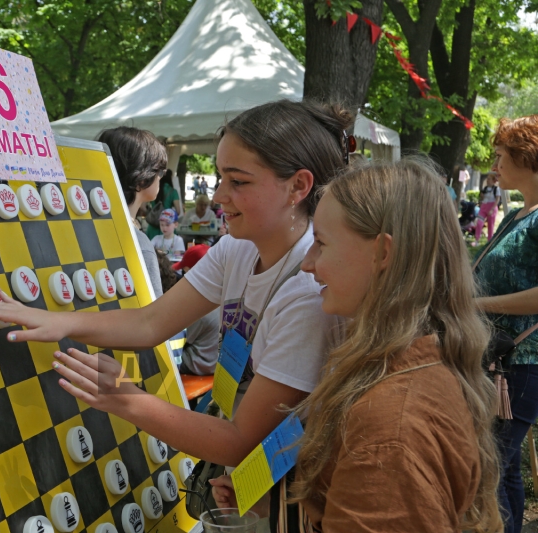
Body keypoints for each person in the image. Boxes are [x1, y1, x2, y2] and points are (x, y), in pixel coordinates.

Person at [0, 99, 350, 474]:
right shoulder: (237, 247)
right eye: (220, 178)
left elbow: (239, 442)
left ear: (298, 186)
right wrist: (58, 321)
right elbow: (150, 323)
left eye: (238, 182)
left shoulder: (308, 292)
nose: (218, 196)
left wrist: (124, 398)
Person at [211, 159, 502, 532]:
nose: (307, 265)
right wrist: (291, 500)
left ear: (383, 254)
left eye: (321, 243)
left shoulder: (390, 429)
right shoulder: (401, 367)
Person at [475, 115, 538, 533]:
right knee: (505, 467)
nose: (495, 164)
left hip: (523, 361)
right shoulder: (519, 212)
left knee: (490, 468)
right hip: (503, 359)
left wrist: (475, 302)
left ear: (528, 157)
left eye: (501, 155)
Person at [95, 127, 165, 297]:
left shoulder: (88, 227)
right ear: (141, 180)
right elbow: (153, 315)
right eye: (160, 171)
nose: (161, 177)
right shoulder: (137, 243)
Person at [171, 246, 220, 376]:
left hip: (199, 363)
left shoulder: (201, 305)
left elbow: (179, 338)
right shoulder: (222, 292)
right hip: (216, 360)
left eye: (184, 271)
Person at [145, 169, 182, 239]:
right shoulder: (173, 191)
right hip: (168, 226)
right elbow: (178, 211)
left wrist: (151, 212)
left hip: (153, 227)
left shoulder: (153, 190)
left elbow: (142, 206)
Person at [473, 173, 501, 246]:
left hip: (492, 207)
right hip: (484, 207)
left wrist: (492, 209)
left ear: (493, 180)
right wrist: (481, 196)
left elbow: (497, 200)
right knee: (479, 223)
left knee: (490, 225)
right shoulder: (485, 188)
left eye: (489, 179)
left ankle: (489, 242)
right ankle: (477, 240)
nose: (487, 180)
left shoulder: (496, 189)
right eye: (487, 179)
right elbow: (483, 198)